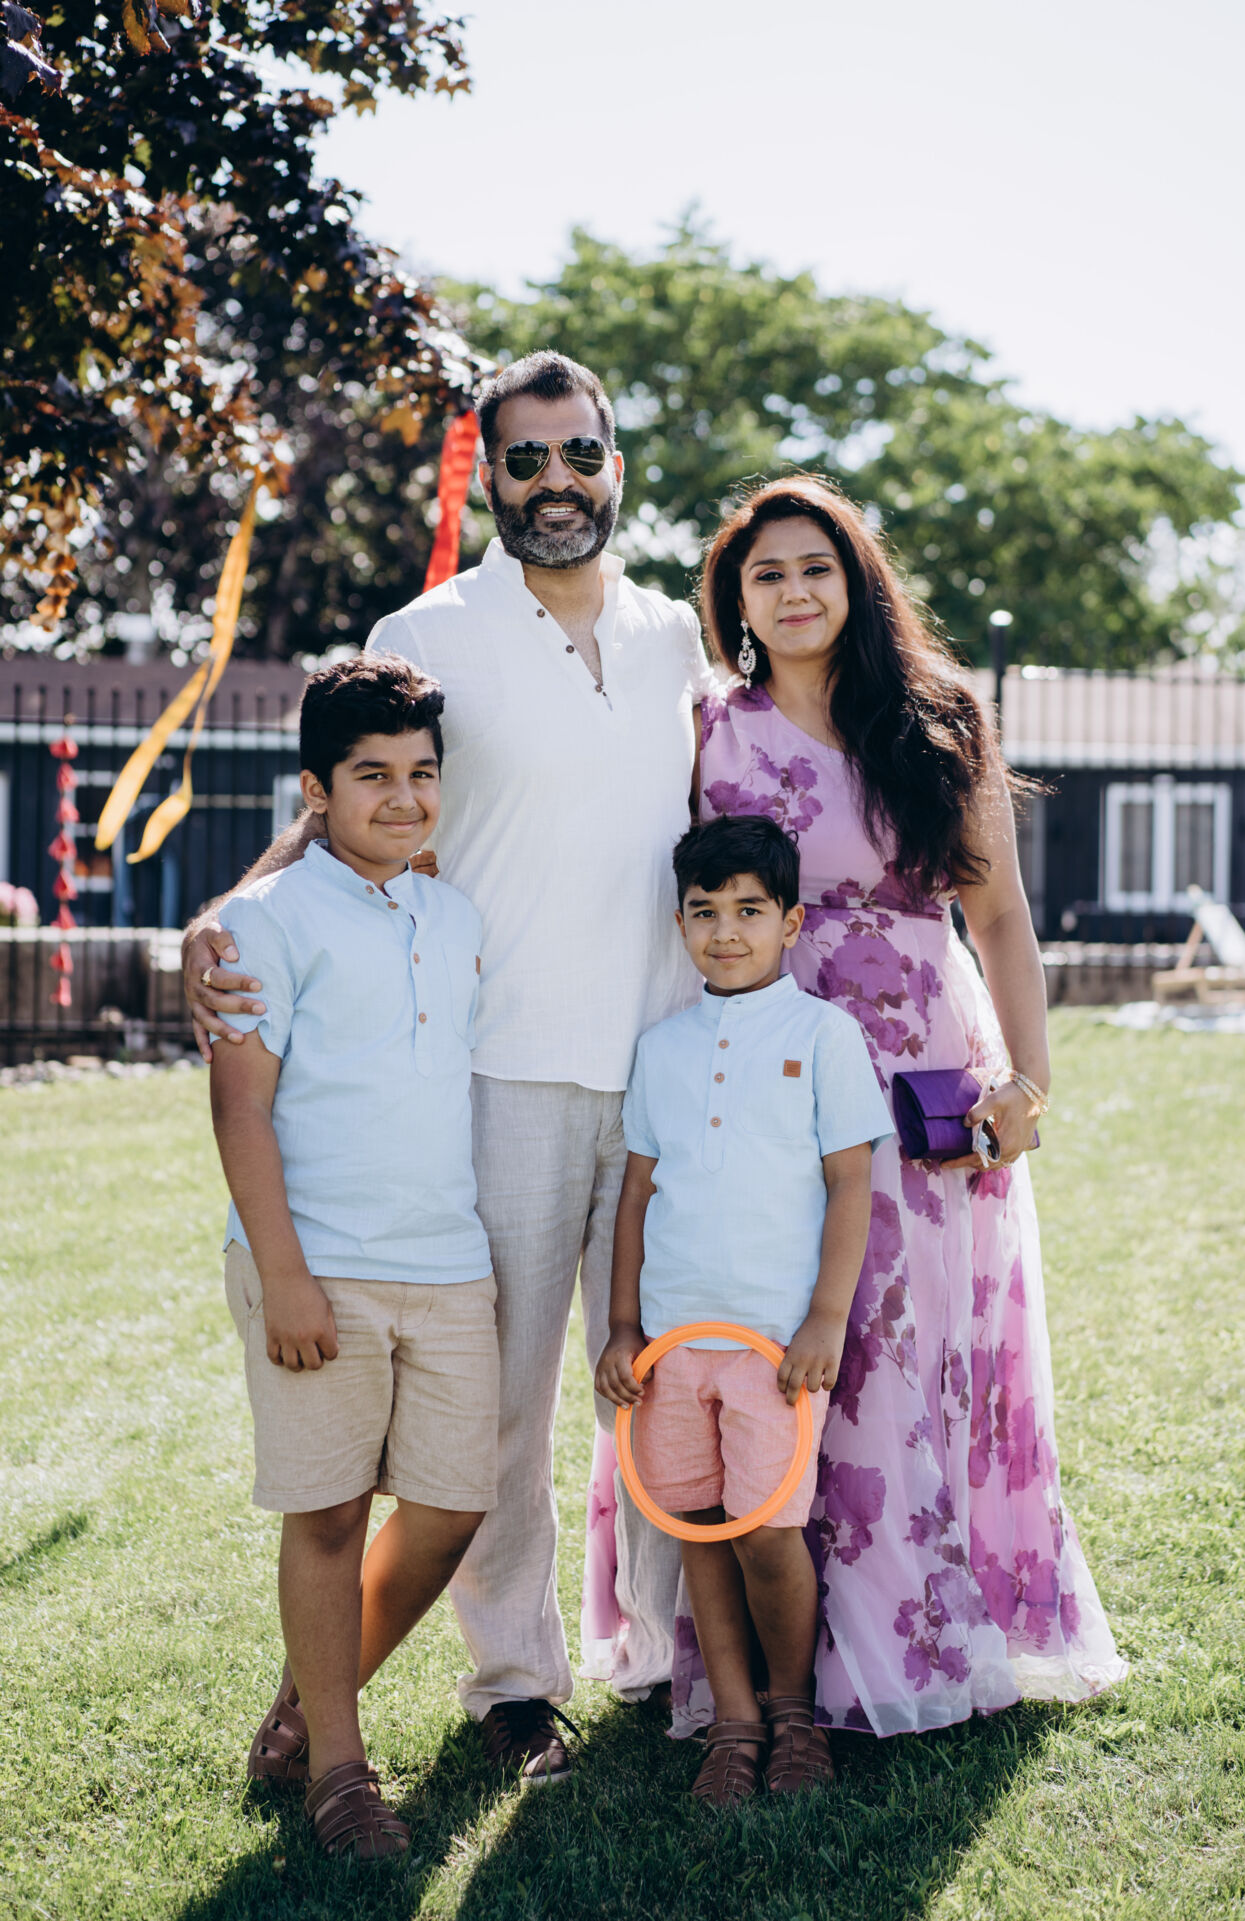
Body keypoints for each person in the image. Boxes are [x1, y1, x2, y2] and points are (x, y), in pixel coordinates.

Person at [185, 351, 715, 1781]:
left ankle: (663, 1660)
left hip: (663, 1070)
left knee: (657, 1380)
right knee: (501, 1412)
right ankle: (512, 1681)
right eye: (525, 459)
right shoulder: (429, 629)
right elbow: (348, 796)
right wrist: (217, 918)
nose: (557, 482)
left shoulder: (675, 634)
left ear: (616, 463)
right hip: (502, 1075)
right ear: (492, 474)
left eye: (580, 453)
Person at [670, 472, 1129, 1736]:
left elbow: (999, 916)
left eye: (814, 566)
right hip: (768, 1064)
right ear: (735, 601)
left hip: (924, 1065)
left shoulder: (939, 719)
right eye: (765, 574)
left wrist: (1026, 1080)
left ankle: (916, 1629)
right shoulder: (706, 727)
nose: (792, 590)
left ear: (855, 580)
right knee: (786, 1328)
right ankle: (773, 1652)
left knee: (912, 1338)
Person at [210, 655, 498, 1860]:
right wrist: (283, 1275)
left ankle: (303, 1701)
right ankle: (338, 1768)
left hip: (447, 1259)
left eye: (421, 773)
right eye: (371, 775)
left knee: (452, 1505)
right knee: (327, 1513)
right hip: (316, 1260)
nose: (403, 797)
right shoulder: (262, 922)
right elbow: (240, 1108)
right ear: (316, 790)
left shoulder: (453, 913)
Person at [595, 815, 892, 1804]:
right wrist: (624, 1327)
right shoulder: (661, 1047)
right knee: (698, 1527)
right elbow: (637, 1193)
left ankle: (793, 1713)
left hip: (774, 1348)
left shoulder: (824, 1036)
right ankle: (731, 1721)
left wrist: (824, 1319)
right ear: (680, 922)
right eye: (704, 911)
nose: (725, 930)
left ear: (790, 922)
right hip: (672, 1345)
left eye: (749, 910)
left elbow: (849, 1184)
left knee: (767, 1532)